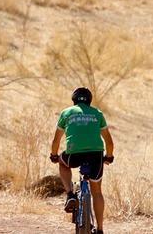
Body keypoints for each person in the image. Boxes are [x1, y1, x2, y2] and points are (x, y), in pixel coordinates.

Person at [49, 86, 115, 234]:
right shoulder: (97, 113)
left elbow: (56, 141)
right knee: (97, 192)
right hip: (96, 155)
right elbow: (109, 142)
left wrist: (54, 155)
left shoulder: (66, 113)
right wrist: (109, 157)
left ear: (74, 100)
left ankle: (71, 195)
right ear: (90, 101)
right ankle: (100, 229)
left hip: (74, 153)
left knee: (62, 162)